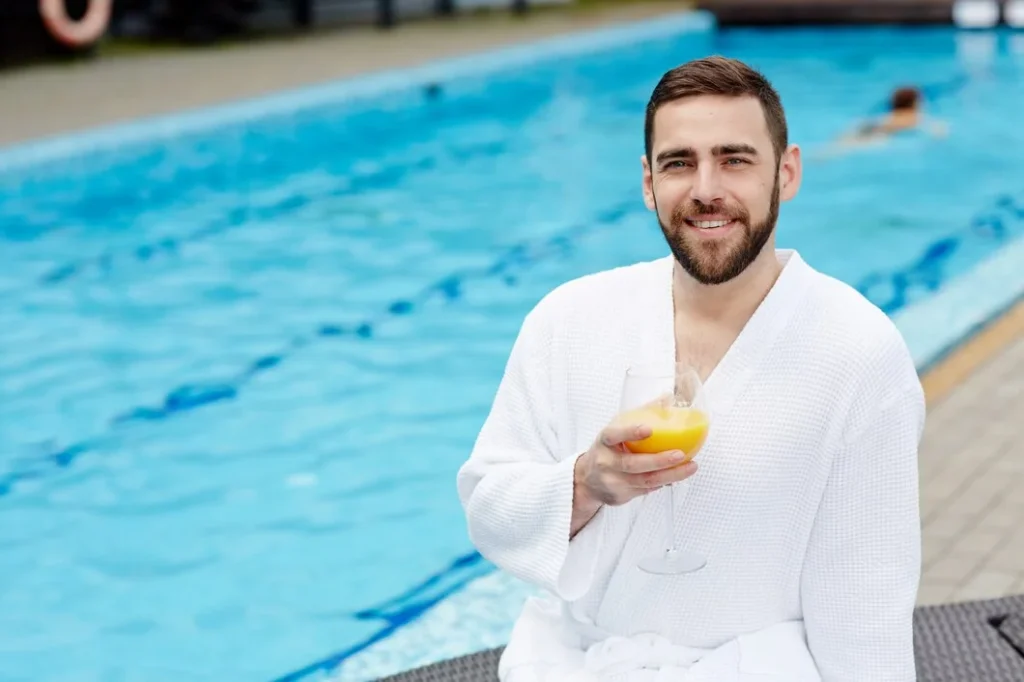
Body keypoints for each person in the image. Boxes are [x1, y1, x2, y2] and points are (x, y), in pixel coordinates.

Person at [456, 56, 924, 681]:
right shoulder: (567, 320)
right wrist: (584, 483)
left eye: (735, 158)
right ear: (648, 182)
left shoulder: (856, 351)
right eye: (680, 162)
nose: (707, 188)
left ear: (786, 173)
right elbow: (488, 508)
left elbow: (865, 597)